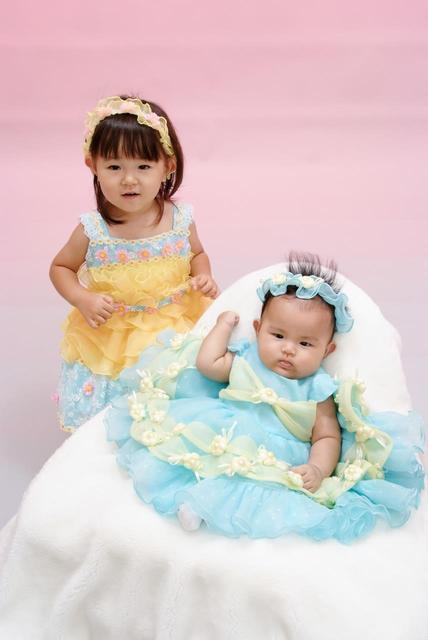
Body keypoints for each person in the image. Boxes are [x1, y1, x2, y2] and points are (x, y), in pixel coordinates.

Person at [105, 254, 424, 543]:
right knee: (203, 459)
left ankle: (205, 507)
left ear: (327, 351)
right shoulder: (246, 359)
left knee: (257, 482)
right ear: (258, 330)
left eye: (305, 344)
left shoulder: (319, 389)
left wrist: (317, 468)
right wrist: (222, 326)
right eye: (278, 336)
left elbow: (326, 436)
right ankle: (193, 499)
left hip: (277, 450)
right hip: (225, 428)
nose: (288, 349)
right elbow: (208, 364)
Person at [50, 95, 218, 431]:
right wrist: (83, 298)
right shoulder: (93, 230)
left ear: (167, 166)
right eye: (114, 167)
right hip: (114, 333)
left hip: (173, 323)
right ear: (93, 165)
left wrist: (203, 275)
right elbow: (61, 268)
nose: (129, 179)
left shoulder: (179, 219)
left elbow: (197, 253)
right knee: (115, 410)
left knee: (175, 402)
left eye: (143, 166)